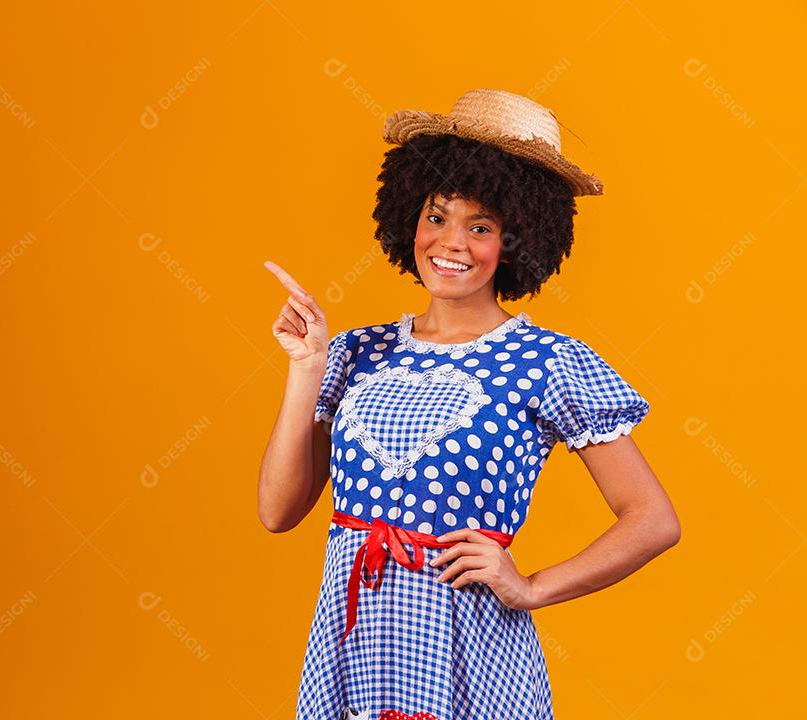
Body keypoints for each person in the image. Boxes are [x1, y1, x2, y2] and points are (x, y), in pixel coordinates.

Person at [258, 89, 681, 720]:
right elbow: (278, 511)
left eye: (480, 226)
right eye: (437, 216)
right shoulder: (353, 352)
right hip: (354, 641)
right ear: (410, 218)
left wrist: (531, 586)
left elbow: (652, 519)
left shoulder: (548, 361)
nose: (450, 242)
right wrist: (306, 367)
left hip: (470, 645)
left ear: (516, 240)